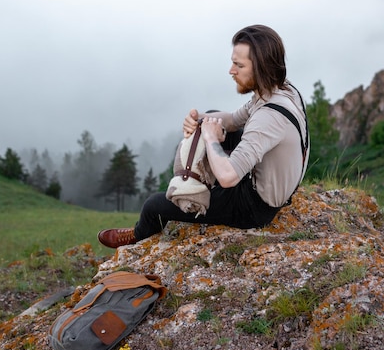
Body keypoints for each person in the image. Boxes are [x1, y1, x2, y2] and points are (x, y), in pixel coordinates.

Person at [98, 24, 309, 249]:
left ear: (260, 69)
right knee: (212, 118)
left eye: (239, 65)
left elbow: (228, 177)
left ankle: (138, 234)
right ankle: (202, 182)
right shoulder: (280, 90)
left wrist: (209, 138)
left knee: (153, 205)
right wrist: (200, 118)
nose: (231, 70)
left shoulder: (267, 118)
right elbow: (233, 120)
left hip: (255, 206)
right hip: (269, 175)